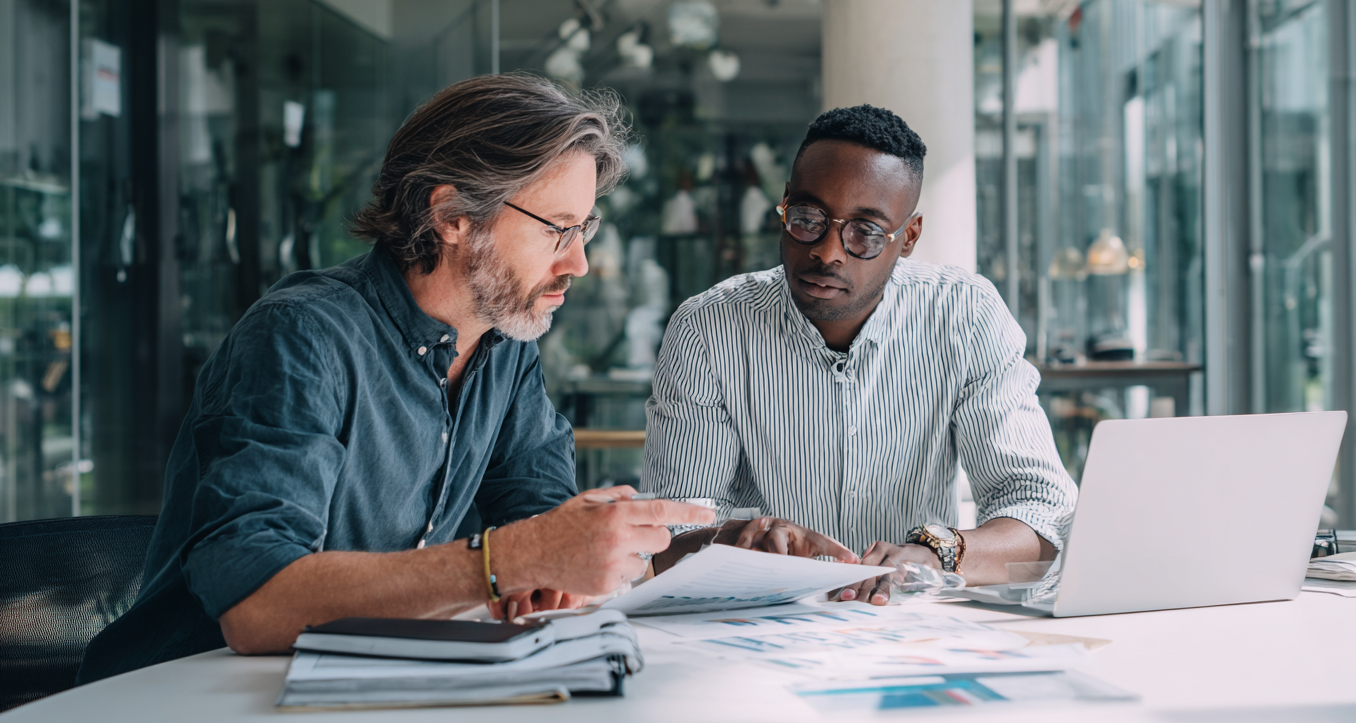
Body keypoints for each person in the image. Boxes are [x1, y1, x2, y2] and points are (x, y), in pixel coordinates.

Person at [77, 75, 713, 683]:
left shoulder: (505, 344)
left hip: (364, 686)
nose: (578, 261)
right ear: (452, 215)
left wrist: (566, 561)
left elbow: (538, 527)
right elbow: (255, 602)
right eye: (557, 229)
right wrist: (512, 561)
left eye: (585, 228)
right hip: (189, 695)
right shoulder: (302, 337)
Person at [642, 105, 1078, 603]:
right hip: (759, 626)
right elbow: (667, 536)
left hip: (912, 628)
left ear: (908, 237)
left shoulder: (965, 314)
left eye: (865, 233)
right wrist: (731, 542)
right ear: (784, 207)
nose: (828, 252)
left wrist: (936, 554)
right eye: (808, 219)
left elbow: (1042, 514)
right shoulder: (709, 328)